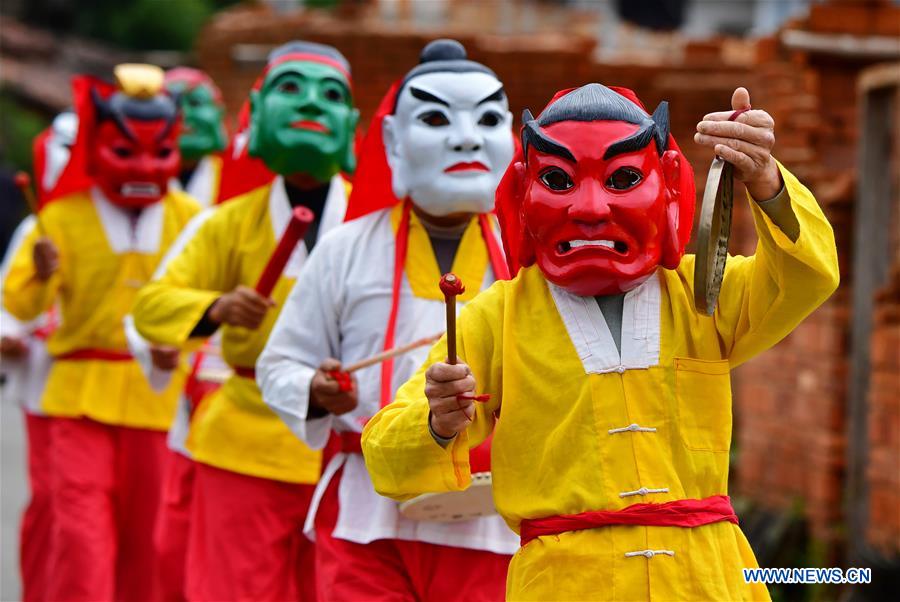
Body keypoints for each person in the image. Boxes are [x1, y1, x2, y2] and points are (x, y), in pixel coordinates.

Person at [361, 84, 840, 601]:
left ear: (670, 189)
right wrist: (436, 421)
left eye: (625, 179)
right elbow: (385, 453)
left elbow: (808, 275)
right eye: (558, 181)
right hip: (566, 582)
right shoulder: (495, 318)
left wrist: (765, 179)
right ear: (521, 194)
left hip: (707, 579)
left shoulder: (706, 296)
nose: (590, 208)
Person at [258, 39, 519, 602]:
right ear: (392, 141)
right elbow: (278, 362)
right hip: (365, 514)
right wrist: (313, 389)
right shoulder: (345, 248)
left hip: (493, 516)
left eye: (490, 119)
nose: (467, 138)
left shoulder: (532, 255)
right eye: (434, 118)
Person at [132, 41, 358, 601]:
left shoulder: (371, 224)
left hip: (344, 446)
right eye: (290, 89)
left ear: (353, 125)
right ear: (254, 116)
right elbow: (151, 307)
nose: (311, 104)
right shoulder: (228, 223)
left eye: (330, 95)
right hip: (244, 440)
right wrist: (216, 308)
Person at [2, 63, 201, 601]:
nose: (142, 165)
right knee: (82, 538)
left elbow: (209, 308)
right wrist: (40, 275)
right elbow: (15, 304)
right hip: (75, 398)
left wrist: (182, 345)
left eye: (159, 153)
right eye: (126, 150)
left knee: (148, 543)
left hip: (157, 403)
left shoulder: (192, 218)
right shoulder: (61, 216)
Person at [164, 68, 227, 207]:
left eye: (195, 103)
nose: (184, 114)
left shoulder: (237, 174)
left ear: (219, 111)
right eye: (174, 105)